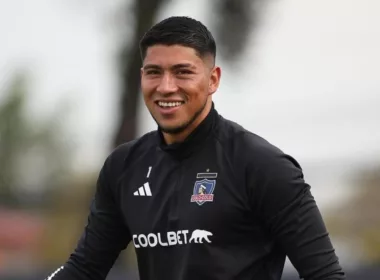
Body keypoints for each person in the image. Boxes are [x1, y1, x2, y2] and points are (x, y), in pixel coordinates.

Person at [44, 16, 346, 280]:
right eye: (153, 72)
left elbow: (325, 275)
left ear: (213, 79)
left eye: (182, 72)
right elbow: (84, 269)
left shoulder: (262, 165)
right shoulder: (123, 167)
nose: (165, 86)